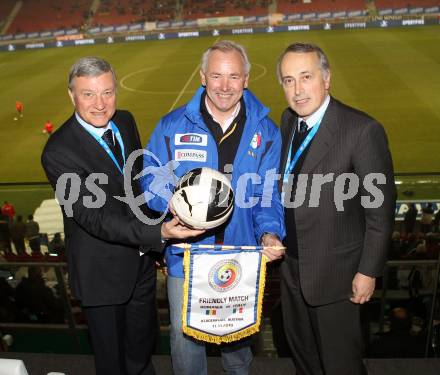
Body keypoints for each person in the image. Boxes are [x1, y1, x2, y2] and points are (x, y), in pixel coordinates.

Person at [41, 56, 203, 375]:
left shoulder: (125, 121)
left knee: (142, 350)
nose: (100, 104)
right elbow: (93, 217)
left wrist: (165, 206)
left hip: (140, 262)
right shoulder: (58, 152)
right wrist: (159, 233)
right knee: (112, 361)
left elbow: (137, 184)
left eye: (107, 92)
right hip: (101, 274)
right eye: (89, 94)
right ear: (71, 95)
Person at [142, 40, 285, 375]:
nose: (225, 86)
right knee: (185, 343)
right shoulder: (171, 126)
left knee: (237, 344)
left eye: (234, 76)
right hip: (186, 256)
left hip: (242, 256)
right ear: (203, 76)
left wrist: (269, 232)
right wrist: (179, 208)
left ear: (247, 79)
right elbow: (150, 183)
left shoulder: (266, 131)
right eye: (217, 76)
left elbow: (267, 194)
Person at [277, 42, 396, 375]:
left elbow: (380, 211)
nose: (297, 90)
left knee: (341, 366)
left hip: (339, 278)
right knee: (306, 363)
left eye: (306, 77)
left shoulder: (361, 131)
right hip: (293, 271)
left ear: (326, 79)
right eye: (288, 80)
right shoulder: (289, 122)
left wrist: (368, 271)